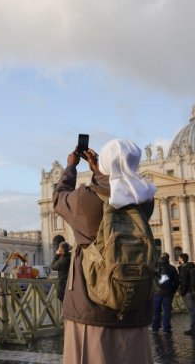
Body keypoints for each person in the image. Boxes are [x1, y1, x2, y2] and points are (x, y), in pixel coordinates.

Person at [53, 139, 157, 364]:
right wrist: (101, 172)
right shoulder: (145, 201)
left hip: (91, 307)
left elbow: (59, 197)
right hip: (135, 305)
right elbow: (117, 191)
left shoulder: (84, 200)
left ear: (105, 164)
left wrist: (71, 167)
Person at [152, 253, 179, 334]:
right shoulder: (172, 268)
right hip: (168, 292)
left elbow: (151, 280)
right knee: (167, 311)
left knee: (156, 310)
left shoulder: (155, 268)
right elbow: (177, 282)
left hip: (157, 293)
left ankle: (155, 328)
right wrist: (172, 291)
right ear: (168, 258)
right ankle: (166, 329)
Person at [178, 253, 195, 336]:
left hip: (187, 292)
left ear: (182, 259)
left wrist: (182, 292)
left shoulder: (184, 268)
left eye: (179, 258)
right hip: (193, 291)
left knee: (192, 311)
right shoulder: (193, 267)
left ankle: (194, 329)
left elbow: (184, 281)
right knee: (193, 310)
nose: (178, 259)